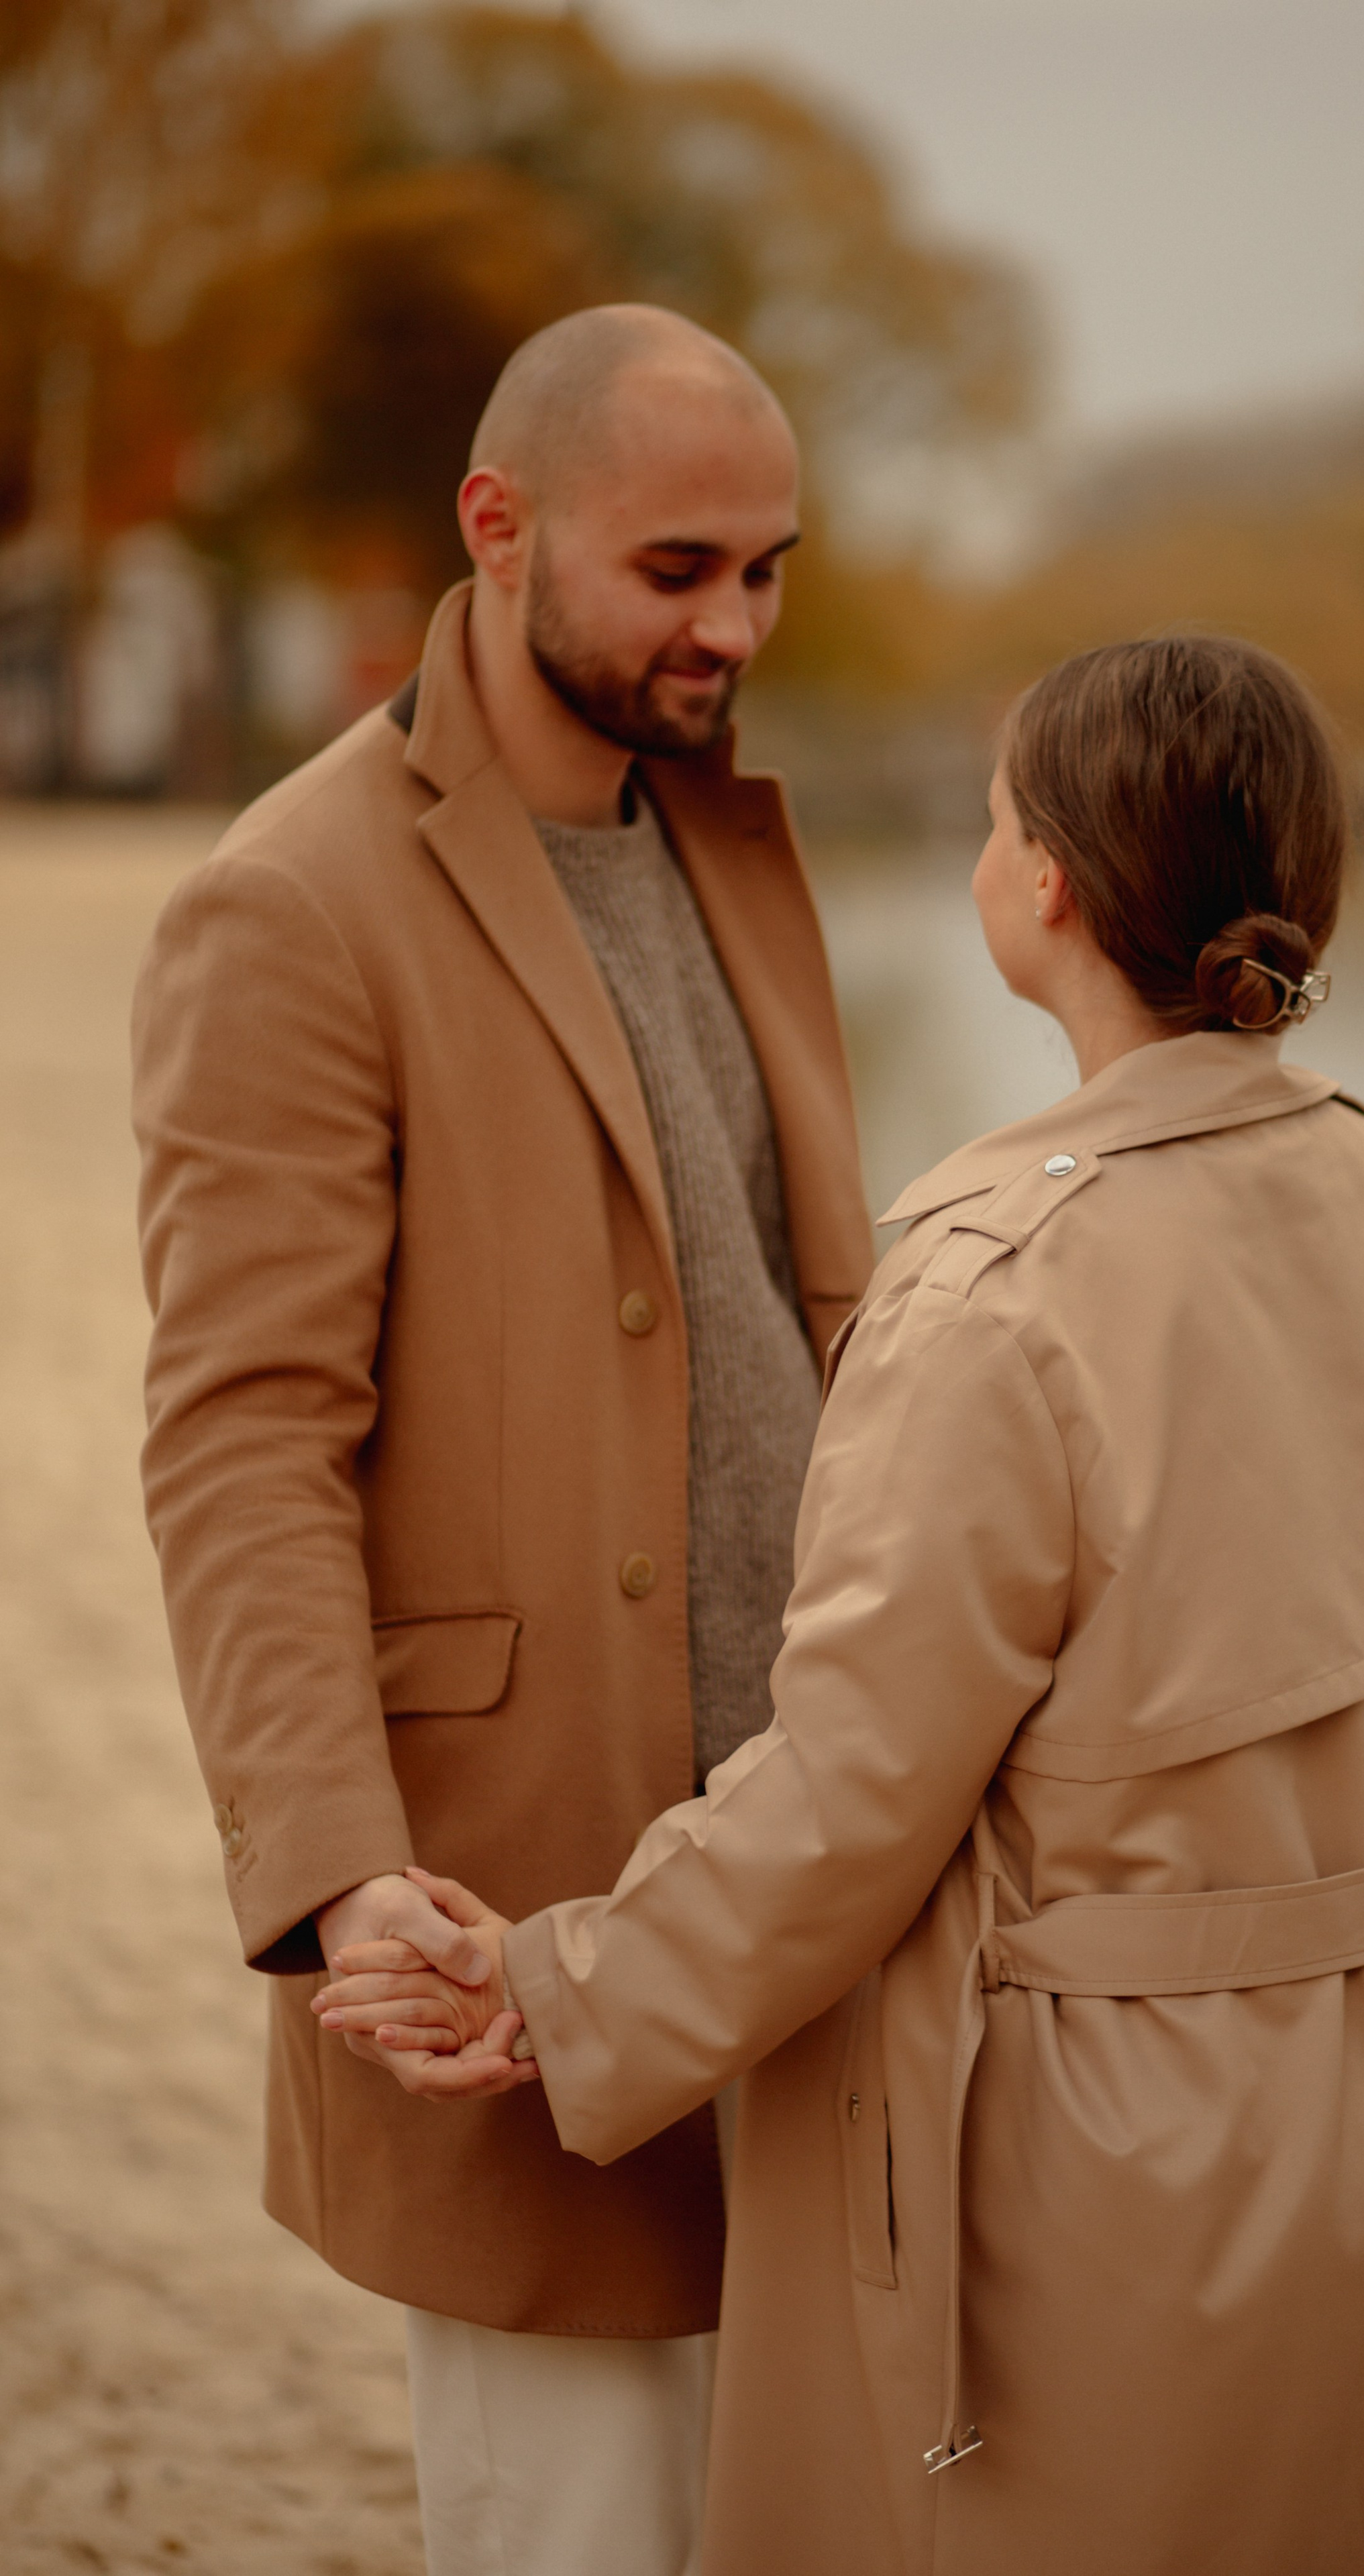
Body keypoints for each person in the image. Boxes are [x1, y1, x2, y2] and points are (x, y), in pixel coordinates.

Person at [317, 634, 1364, 2576]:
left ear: (1044, 883)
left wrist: (561, 1991)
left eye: (995, 816)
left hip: (1135, 2156)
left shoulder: (997, 1279)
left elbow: (852, 1801)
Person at [132, 305, 872, 2576]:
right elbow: (240, 1438)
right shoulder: (292, 897)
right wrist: (340, 1869)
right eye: (677, 569)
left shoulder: (734, 843)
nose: (731, 625)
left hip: (814, 1901)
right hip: (515, 1921)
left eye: (767, 569)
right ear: (499, 525)